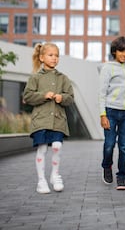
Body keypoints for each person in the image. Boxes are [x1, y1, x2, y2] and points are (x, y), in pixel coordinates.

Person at [23, 42, 74, 194]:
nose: (54, 58)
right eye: (51, 55)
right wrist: (43, 95)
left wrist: (61, 98)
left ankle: (55, 174)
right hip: (41, 120)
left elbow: (70, 98)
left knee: (57, 146)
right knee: (43, 148)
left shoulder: (63, 78)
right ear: (42, 57)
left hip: (58, 120)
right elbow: (27, 96)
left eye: (57, 55)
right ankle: (41, 181)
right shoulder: (35, 77)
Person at [99, 36, 125, 190]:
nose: (124, 54)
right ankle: (107, 166)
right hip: (111, 111)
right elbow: (101, 93)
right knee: (109, 145)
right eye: (121, 51)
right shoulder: (107, 67)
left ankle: (121, 176)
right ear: (114, 51)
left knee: (124, 146)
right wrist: (103, 115)